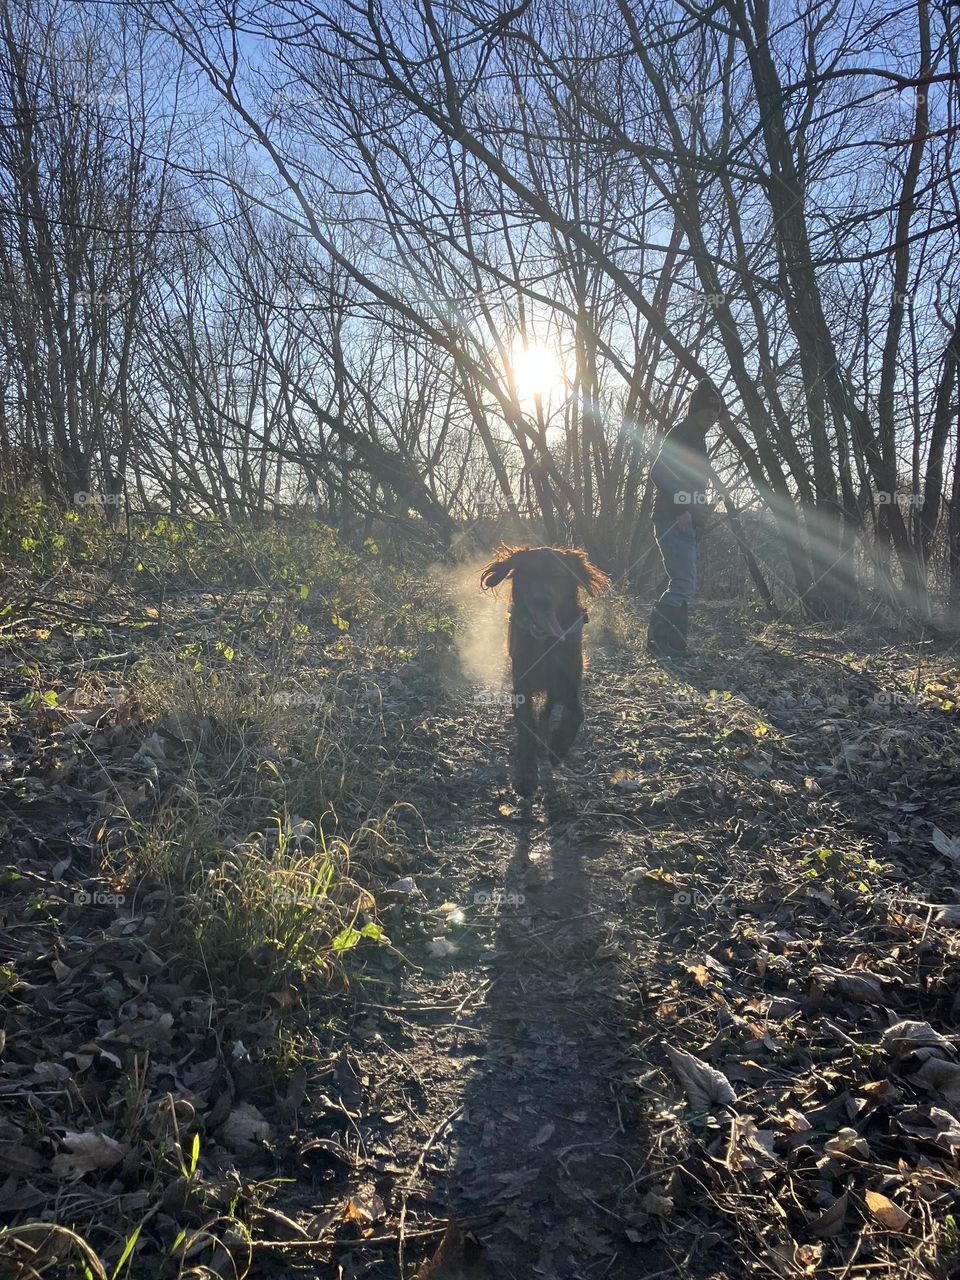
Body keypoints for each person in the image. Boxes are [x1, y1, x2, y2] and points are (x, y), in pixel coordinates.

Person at [647, 378, 724, 659]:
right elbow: (660, 472)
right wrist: (681, 509)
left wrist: (699, 508)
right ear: (695, 409)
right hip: (673, 519)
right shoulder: (682, 434)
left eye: (717, 410)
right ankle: (659, 642)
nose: (713, 414)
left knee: (684, 583)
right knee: (683, 584)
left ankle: (675, 645)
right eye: (708, 408)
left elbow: (690, 483)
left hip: (685, 520)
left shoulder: (696, 437)